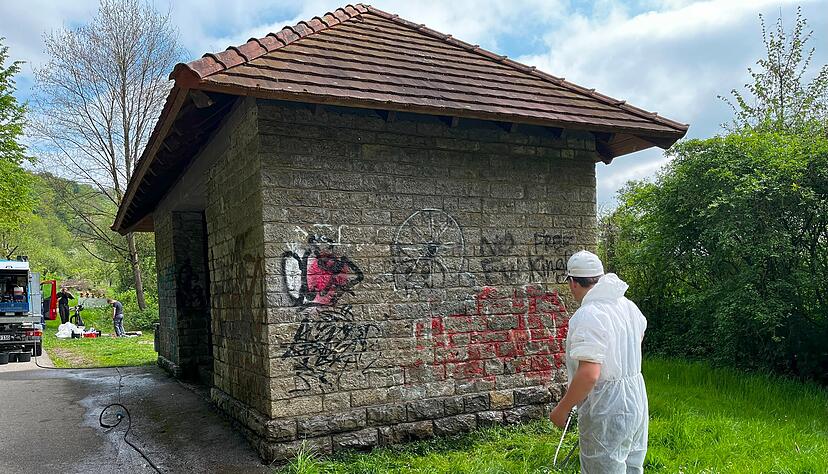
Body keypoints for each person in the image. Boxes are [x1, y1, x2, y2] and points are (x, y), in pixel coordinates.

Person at [549, 250, 648, 473]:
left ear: (573, 282)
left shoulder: (589, 314)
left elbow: (589, 373)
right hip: (636, 397)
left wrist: (562, 409)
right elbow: (639, 334)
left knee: (603, 467)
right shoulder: (627, 305)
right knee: (632, 465)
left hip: (607, 405)